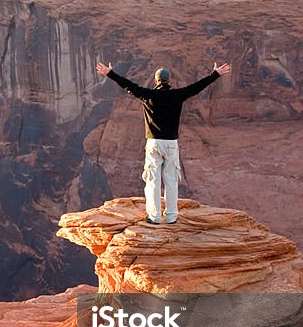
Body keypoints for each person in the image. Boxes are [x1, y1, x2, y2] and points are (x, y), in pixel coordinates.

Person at [96, 60, 231, 224]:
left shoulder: (148, 95)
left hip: (153, 143)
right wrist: (215, 74)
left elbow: (127, 85)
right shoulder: (177, 95)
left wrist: (109, 73)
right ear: (169, 81)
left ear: (156, 81)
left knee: (153, 180)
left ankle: (154, 217)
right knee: (171, 180)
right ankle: (171, 217)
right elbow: (197, 87)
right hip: (171, 144)